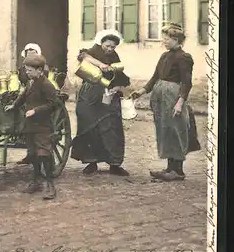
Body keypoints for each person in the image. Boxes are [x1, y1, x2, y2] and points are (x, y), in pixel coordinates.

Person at [130, 23, 201, 181]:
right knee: (165, 132)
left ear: (176, 40)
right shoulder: (164, 56)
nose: (164, 42)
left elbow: (186, 82)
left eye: (167, 39)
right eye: (164, 39)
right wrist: (141, 91)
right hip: (161, 98)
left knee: (176, 130)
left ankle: (178, 171)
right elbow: (155, 77)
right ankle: (170, 168)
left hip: (174, 97)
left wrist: (180, 102)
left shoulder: (184, 57)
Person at [70, 29, 131, 176]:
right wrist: (101, 65)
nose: (110, 49)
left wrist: (116, 88)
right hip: (90, 95)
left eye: (113, 47)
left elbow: (120, 77)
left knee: (112, 129)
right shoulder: (92, 51)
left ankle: (115, 164)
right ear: (101, 42)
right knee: (89, 128)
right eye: (107, 45)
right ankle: (91, 162)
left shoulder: (114, 56)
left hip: (108, 96)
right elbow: (83, 56)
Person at [5, 53, 60, 199]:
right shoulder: (30, 83)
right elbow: (23, 97)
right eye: (26, 70)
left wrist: (36, 111)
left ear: (40, 70)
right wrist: (14, 106)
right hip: (30, 125)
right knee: (33, 154)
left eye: (30, 70)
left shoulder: (47, 85)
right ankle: (35, 182)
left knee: (44, 154)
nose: (27, 73)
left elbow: (53, 104)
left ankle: (50, 185)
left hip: (42, 125)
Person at [16, 43, 42, 165]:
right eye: (28, 55)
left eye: (33, 54)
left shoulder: (41, 69)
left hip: (37, 96)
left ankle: (40, 156)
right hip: (24, 92)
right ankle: (30, 153)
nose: (30, 57)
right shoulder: (22, 69)